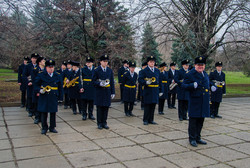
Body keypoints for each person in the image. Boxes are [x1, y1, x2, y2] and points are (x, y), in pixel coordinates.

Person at [182, 56, 210, 147]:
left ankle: (198, 137)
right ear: (195, 65)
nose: (200, 67)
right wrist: (191, 85)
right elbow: (183, 86)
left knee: (201, 121)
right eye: (199, 65)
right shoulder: (190, 74)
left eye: (202, 65)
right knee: (193, 121)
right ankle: (192, 138)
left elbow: (207, 84)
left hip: (204, 101)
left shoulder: (205, 74)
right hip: (195, 101)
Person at [34, 59, 63, 135]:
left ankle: (52, 127)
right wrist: (39, 90)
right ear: (46, 67)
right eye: (49, 67)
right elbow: (36, 85)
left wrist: (60, 98)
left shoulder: (57, 75)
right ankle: (44, 127)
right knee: (44, 112)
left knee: (53, 112)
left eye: (52, 67)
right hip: (44, 96)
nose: (51, 68)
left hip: (53, 96)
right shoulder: (41, 75)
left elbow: (60, 87)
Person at [92, 54, 115, 129]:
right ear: (100, 62)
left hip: (107, 91)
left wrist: (113, 92)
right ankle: (99, 123)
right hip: (100, 91)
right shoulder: (96, 70)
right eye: (104, 61)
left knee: (106, 108)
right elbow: (93, 81)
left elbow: (111, 82)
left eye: (106, 61)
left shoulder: (109, 70)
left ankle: (104, 122)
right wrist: (99, 83)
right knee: (100, 108)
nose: (105, 63)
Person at [138, 56, 162, 125]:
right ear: (148, 62)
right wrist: (145, 82)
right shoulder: (144, 71)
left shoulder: (157, 70)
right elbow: (140, 79)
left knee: (153, 105)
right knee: (147, 105)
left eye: (153, 62)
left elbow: (160, 81)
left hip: (155, 90)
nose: (152, 63)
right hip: (148, 90)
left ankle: (151, 119)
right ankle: (145, 120)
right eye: (151, 62)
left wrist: (161, 90)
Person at [33, 56, 46, 124]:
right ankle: (37, 117)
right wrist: (37, 91)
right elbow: (34, 81)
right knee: (37, 104)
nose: (44, 62)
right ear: (39, 62)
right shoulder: (35, 70)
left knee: (43, 104)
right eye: (43, 61)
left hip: (44, 89)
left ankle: (42, 118)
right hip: (37, 89)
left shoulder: (45, 70)